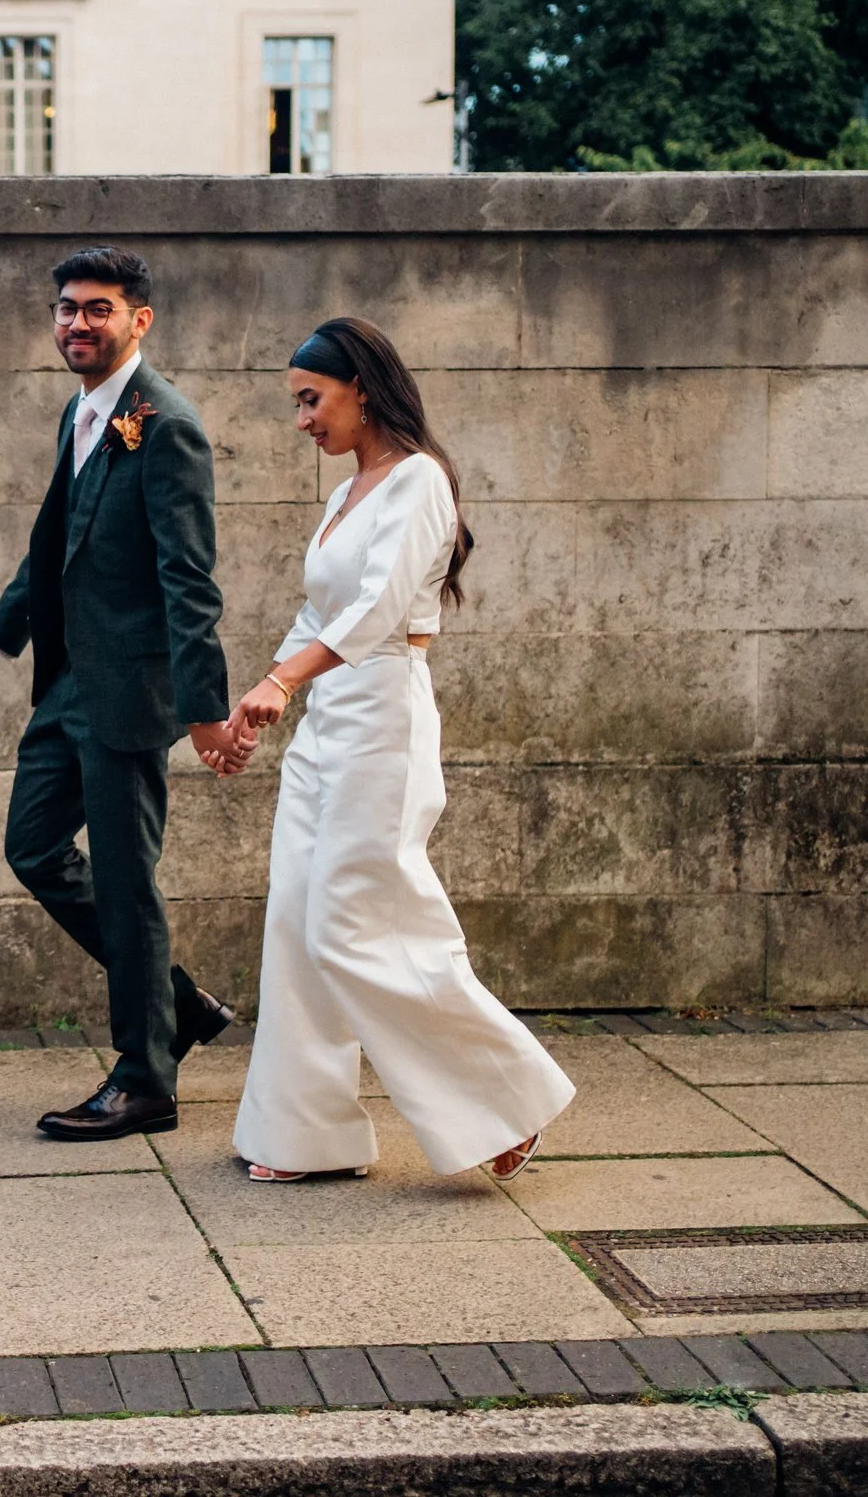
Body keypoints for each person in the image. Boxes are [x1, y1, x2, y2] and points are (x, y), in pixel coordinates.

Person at [215, 317, 572, 1183]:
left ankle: (504, 1102)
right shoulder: (347, 494)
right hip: (327, 717)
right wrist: (256, 705)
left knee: (355, 919)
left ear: (362, 389)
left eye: (311, 400)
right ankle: (302, 1135)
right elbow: (317, 612)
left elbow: (375, 612)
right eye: (297, 403)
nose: (301, 419)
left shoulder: (420, 481)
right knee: (297, 918)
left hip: (384, 714)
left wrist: (286, 682)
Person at [0, 246, 241, 1143]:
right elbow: (56, 544)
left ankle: (145, 1077)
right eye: (66, 308)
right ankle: (177, 1005)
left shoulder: (167, 426)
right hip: (69, 682)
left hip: (130, 692)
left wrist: (204, 710)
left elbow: (188, 579)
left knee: (125, 883)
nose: (77, 323)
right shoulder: (82, 414)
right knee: (32, 845)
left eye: (98, 309)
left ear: (138, 321)